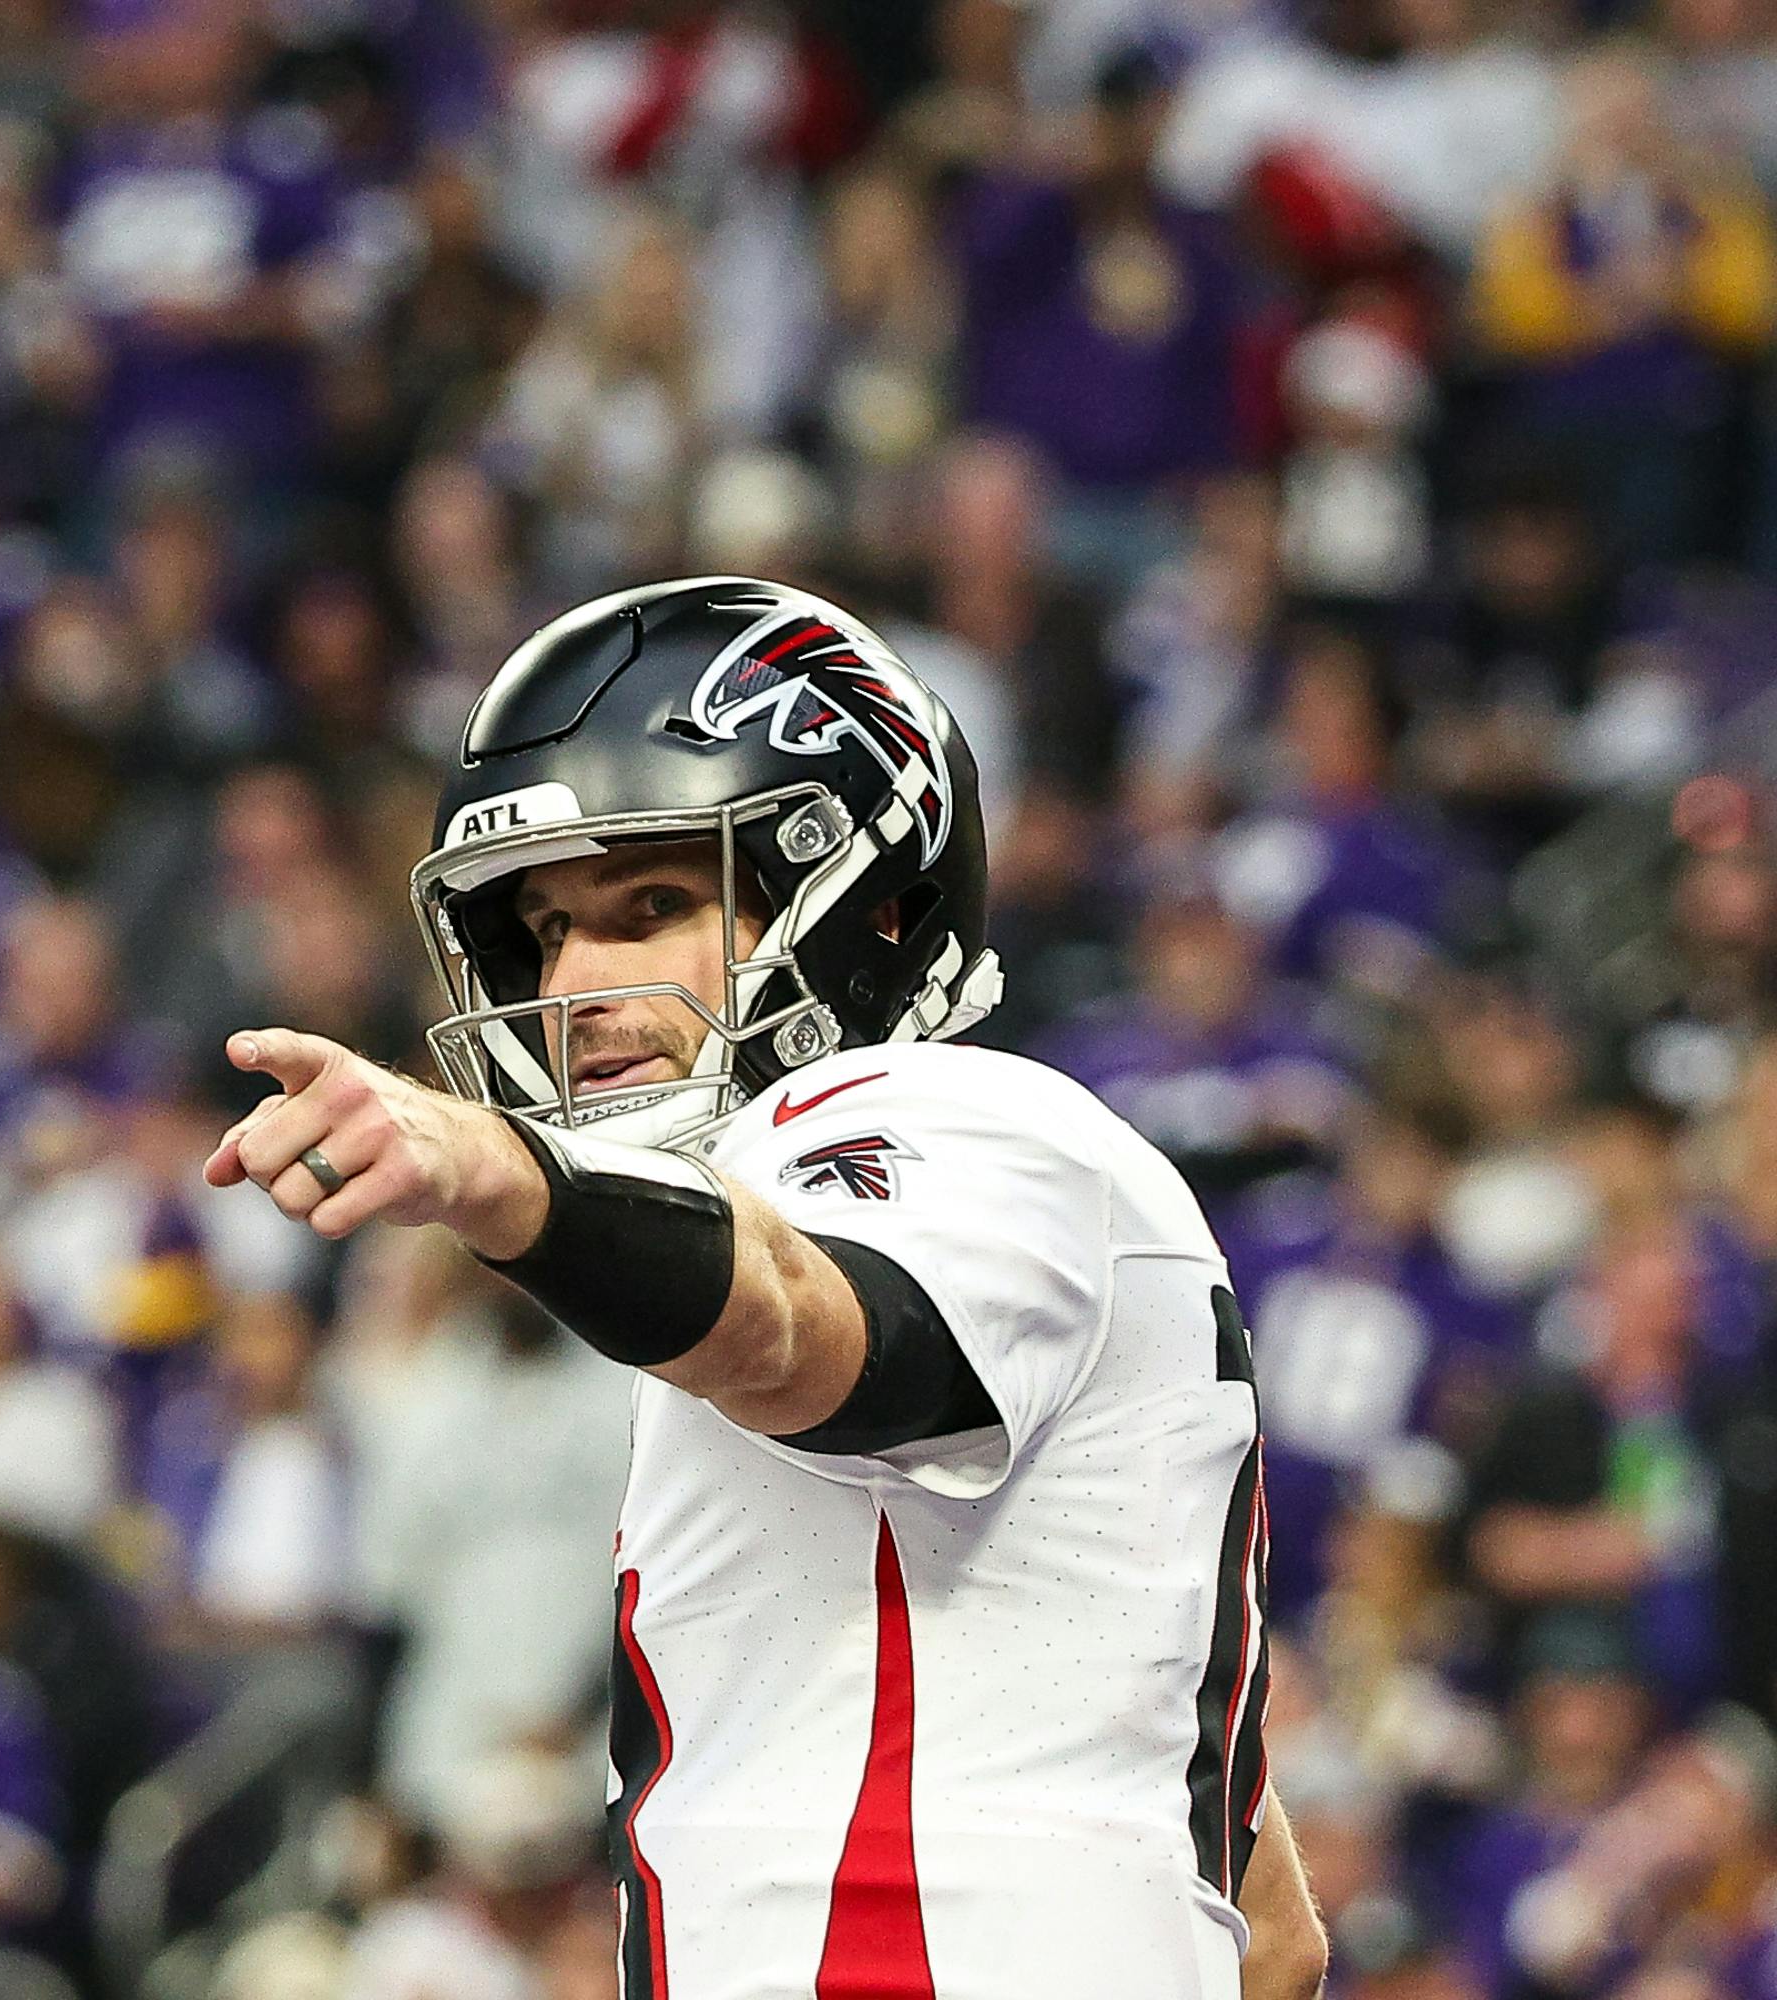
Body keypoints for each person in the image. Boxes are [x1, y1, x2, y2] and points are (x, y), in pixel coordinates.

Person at [206, 578, 1330, 1999]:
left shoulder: (958, 1117)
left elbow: (808, 1329)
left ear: (866, 906)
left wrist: (492, 1171)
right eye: (546, 930)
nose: (576, 984)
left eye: (652, 904)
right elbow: (1270, 1933)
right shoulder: (996, 1184)